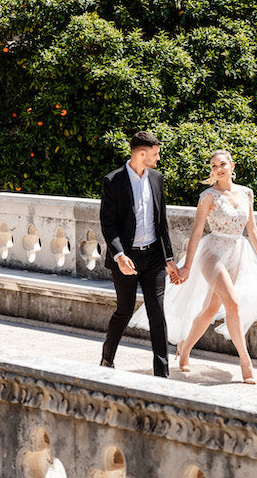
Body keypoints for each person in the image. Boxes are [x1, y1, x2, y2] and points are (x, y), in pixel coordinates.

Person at [167, 149, 257, 383]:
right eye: (214, 166)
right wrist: (186, 266)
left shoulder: (247, 193)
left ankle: (184, 348)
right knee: (233, 304)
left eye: (223, 164)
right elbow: (197, 232)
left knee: (209, 310)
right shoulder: (208, 196)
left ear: (232, 166)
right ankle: (245, 362)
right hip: (212, 253)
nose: (219, 169)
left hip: (237, 252)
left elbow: (253, 230)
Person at [99, 130, 181, 377]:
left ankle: (162, 374)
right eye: (155, 154)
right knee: (124, 310)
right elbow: (108, 224)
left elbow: (161, 222)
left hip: (154, 257)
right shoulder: (113, 181)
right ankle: (107, 359)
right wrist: (119, 255)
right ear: (141, 153)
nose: (158, 159)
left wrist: (169, 258)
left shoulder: (156, 178)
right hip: (126, 259)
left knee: (157, 311)